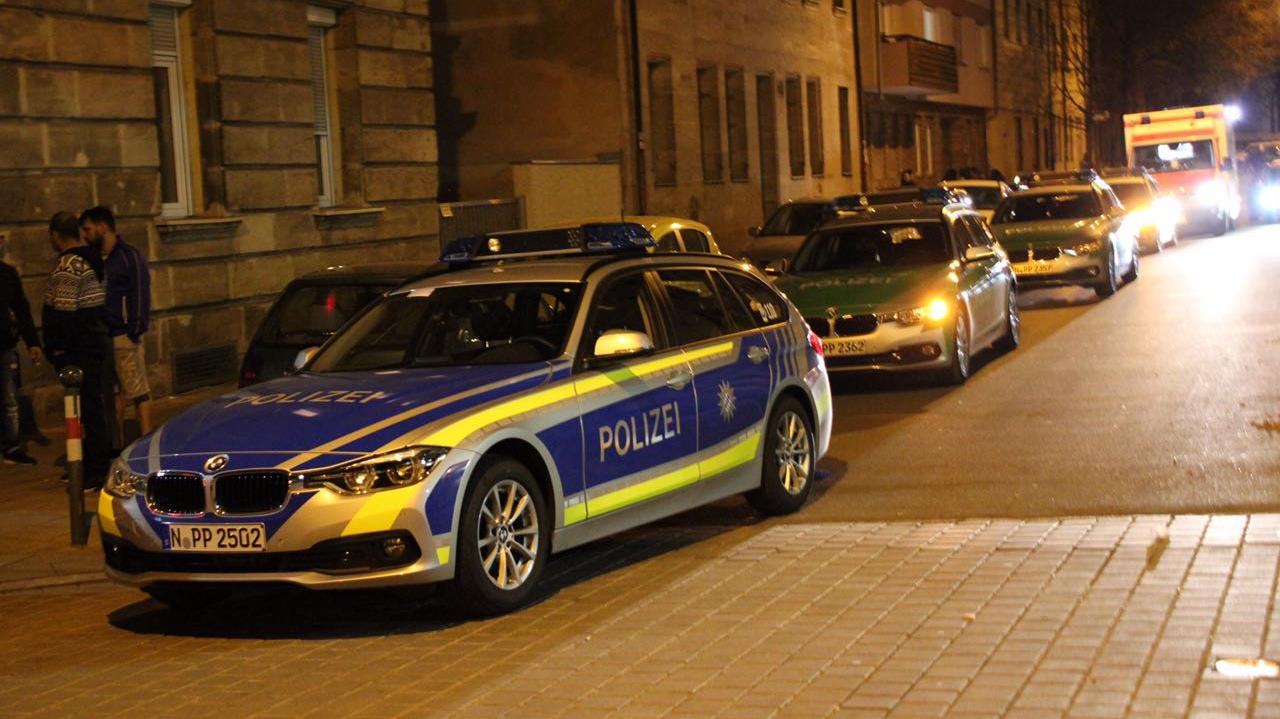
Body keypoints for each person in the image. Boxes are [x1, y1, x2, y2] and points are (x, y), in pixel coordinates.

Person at [43, 212, 112, 486]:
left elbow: (64, 311)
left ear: (55, 235)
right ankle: (92, 464)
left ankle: (93, 470)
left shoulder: (68, 265)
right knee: (91, 408)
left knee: (82, 411)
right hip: (95, 342)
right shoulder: (92, 259)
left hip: (77, 350)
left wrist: (57, 349)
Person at [80, 206, 153, 440]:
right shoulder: (95, 259)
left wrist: (134, 330)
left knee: (137, 390)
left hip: (122, 334)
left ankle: (146, 438)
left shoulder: (128, 256)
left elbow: (140, 292)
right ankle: (115, 442)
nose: (85, 235)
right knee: (112, 394)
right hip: (102, 335)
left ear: (103, 227)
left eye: (88, 229)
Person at [1, 245, 43, 465]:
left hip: (5, 345)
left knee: (10, 398)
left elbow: (21, 309)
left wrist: (32, 342)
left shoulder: (7, 274)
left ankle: (12, 445)